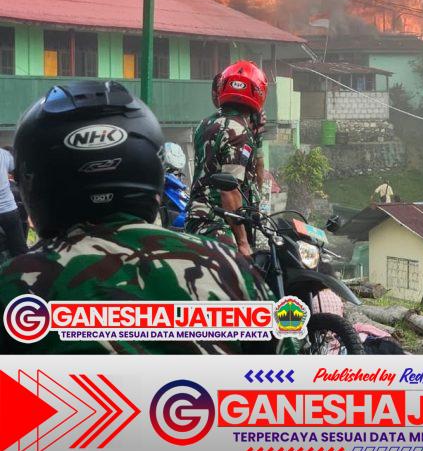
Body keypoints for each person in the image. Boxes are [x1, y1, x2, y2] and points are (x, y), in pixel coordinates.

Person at [0, 80, 267, 355]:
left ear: (33, 182)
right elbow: (287, 382)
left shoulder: (13, 287)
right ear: (151, 169)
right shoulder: (230, 270)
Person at [188, 61, 267, 258]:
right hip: (220, 226)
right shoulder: (240, 132)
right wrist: (242, 243)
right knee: (238, 282)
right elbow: (229, 191)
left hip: (197, 219)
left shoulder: (204, 124)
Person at [0, 145, 27, 258]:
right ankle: (21, 271)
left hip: (9, 209)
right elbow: (17, 174)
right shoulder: (3, 154)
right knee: (19, 249)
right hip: (9, 209)